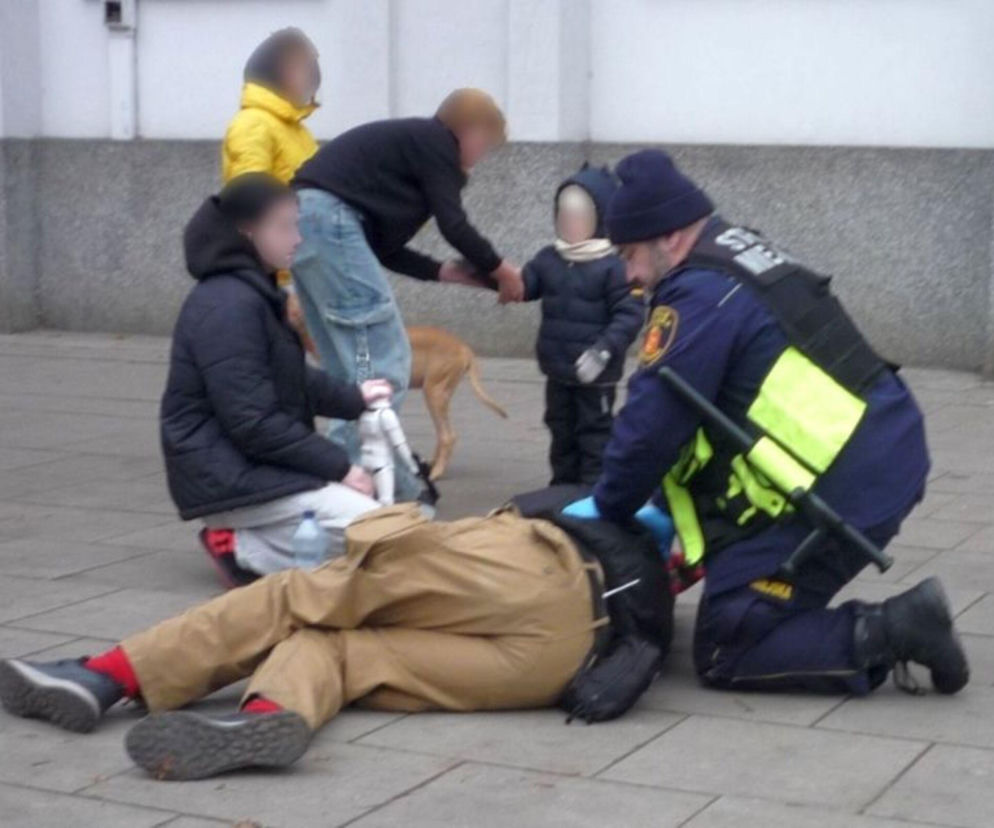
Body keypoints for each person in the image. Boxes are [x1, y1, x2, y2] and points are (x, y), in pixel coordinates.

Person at [569, 149, 969, 697]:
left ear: (669, 237)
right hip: (875, 446)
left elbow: (651, 426)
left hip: (845, 486)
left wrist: (609, 512)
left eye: (631, 253)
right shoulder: (737, 251)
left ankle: (896, 628)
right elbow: (716, 413)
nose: (631, 275)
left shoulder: (698, 293)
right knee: (737, 586)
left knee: (726, 643)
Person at [0, 498, 672, 781]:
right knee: (346, 649)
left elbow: (594, 495)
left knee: (298, 596)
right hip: (565, 659)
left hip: (540, 561)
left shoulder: (659, 427)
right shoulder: (726, 509)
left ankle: (107, 674)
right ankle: (266, 718)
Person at [291, 88, 523, 500]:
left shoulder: (411, 149)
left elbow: (384, 248)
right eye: (485, 144)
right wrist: (503, 270)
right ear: (468, 131)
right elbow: (455, 225)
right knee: (382, 365)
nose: (480, 156)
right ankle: (359, 485)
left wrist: (448, 273)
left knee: (350, 369)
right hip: (329, 221)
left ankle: (340, 481)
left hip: (304, 225)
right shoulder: (438, 143)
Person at [163, 173, 392, 587]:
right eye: (285, 227)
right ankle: (238, 547)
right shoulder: (229, 306)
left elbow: (287, 378)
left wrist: (353, 397)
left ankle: (256, 538)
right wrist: (340, 467)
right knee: (379, 537)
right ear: (247, 233)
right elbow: (252, 421)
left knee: (385, 535)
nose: (298, 238)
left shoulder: (251, 291)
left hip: (244, 465)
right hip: (226, 476)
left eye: (296, 224)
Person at [520, 165, 644, 485]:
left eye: (578, 215)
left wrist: (603, 351)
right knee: (560, 430)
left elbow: (630, 314)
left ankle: (590, 493)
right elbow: (523, 286)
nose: (569, 222)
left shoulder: (616, 265)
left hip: (595, 374)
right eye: (563, 214)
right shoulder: (550, 257)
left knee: (594, 434)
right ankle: (561, 488)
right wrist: (491, 275)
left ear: (600, 219)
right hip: (558, 369)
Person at [221, 27, 322, 335]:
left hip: (299, 263)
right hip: (274, 271)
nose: (312, 81)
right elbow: (250, 197)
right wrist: (282, 280)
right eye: (305, 71)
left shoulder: (294, 129)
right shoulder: (253, 124)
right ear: (282, 71)